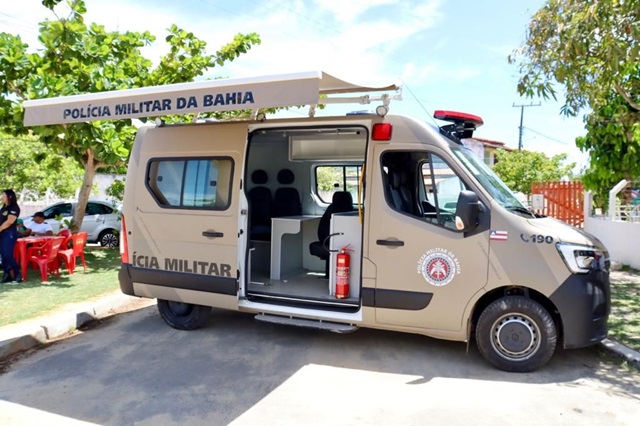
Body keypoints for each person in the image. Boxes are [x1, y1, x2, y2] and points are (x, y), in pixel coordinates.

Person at [0, 189, 22, 283]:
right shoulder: (3, 207)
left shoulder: (14, 207)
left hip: (9, 233)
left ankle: (17, 274)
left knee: (8, 255)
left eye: (3, 196)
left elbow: (9, 221)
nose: (1, 197)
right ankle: (7, 274)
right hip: (2, 233)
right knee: (3, 255)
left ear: (9, 197)